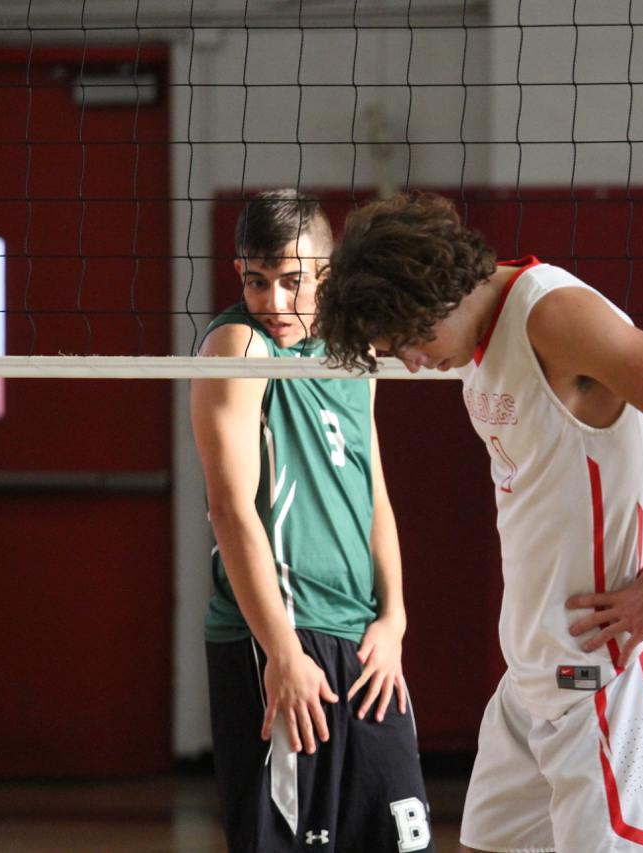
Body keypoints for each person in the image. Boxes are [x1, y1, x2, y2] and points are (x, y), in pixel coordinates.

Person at [313, 193, 643, 853]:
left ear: (442, 293)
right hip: (532, 670)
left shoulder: (555, 316)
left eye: (412, 340)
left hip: (606, 667)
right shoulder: (476, 342)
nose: (411, 360)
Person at [190, 189, 433, 853]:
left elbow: (372, 491)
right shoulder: (238, 343)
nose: (273, 301)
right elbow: (231, 507)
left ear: (327, 274)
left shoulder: (353, 352)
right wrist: (280, 651)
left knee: (403, 837)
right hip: (280, 638)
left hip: (363, 642)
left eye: (293, 282)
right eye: (256, 280)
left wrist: (395, 617)